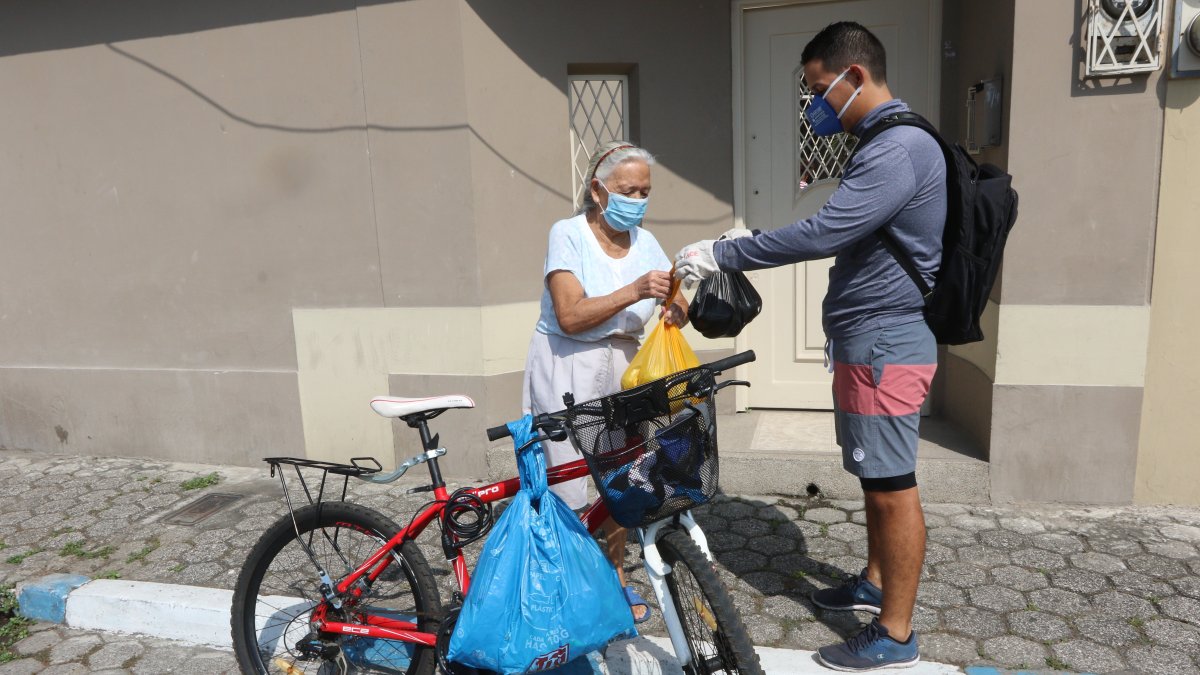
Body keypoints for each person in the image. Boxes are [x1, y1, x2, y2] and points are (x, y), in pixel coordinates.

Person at [674, 22, 944, 672]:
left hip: (885, 344)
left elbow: (825, 230)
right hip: (867, 342)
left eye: (819, 90)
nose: (815, 106)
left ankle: (896, 631)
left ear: (854, 78)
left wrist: (724, 251)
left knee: (891, 484)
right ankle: (875, 581)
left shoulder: (898, 148)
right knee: (871, 472)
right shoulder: (883, 143)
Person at [522, 140, 688, 624]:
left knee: (621, 478)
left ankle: (614, 574)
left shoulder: (647, 243)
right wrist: (635, 289)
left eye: (645, 191)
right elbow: (571, 315)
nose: (637, 199)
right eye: (627, 190)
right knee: (568, 482)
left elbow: (676, 299)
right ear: (598, 190)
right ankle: (566, 584)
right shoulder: (568, 234)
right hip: (567, 364)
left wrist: (678, 307)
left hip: (625, 368)